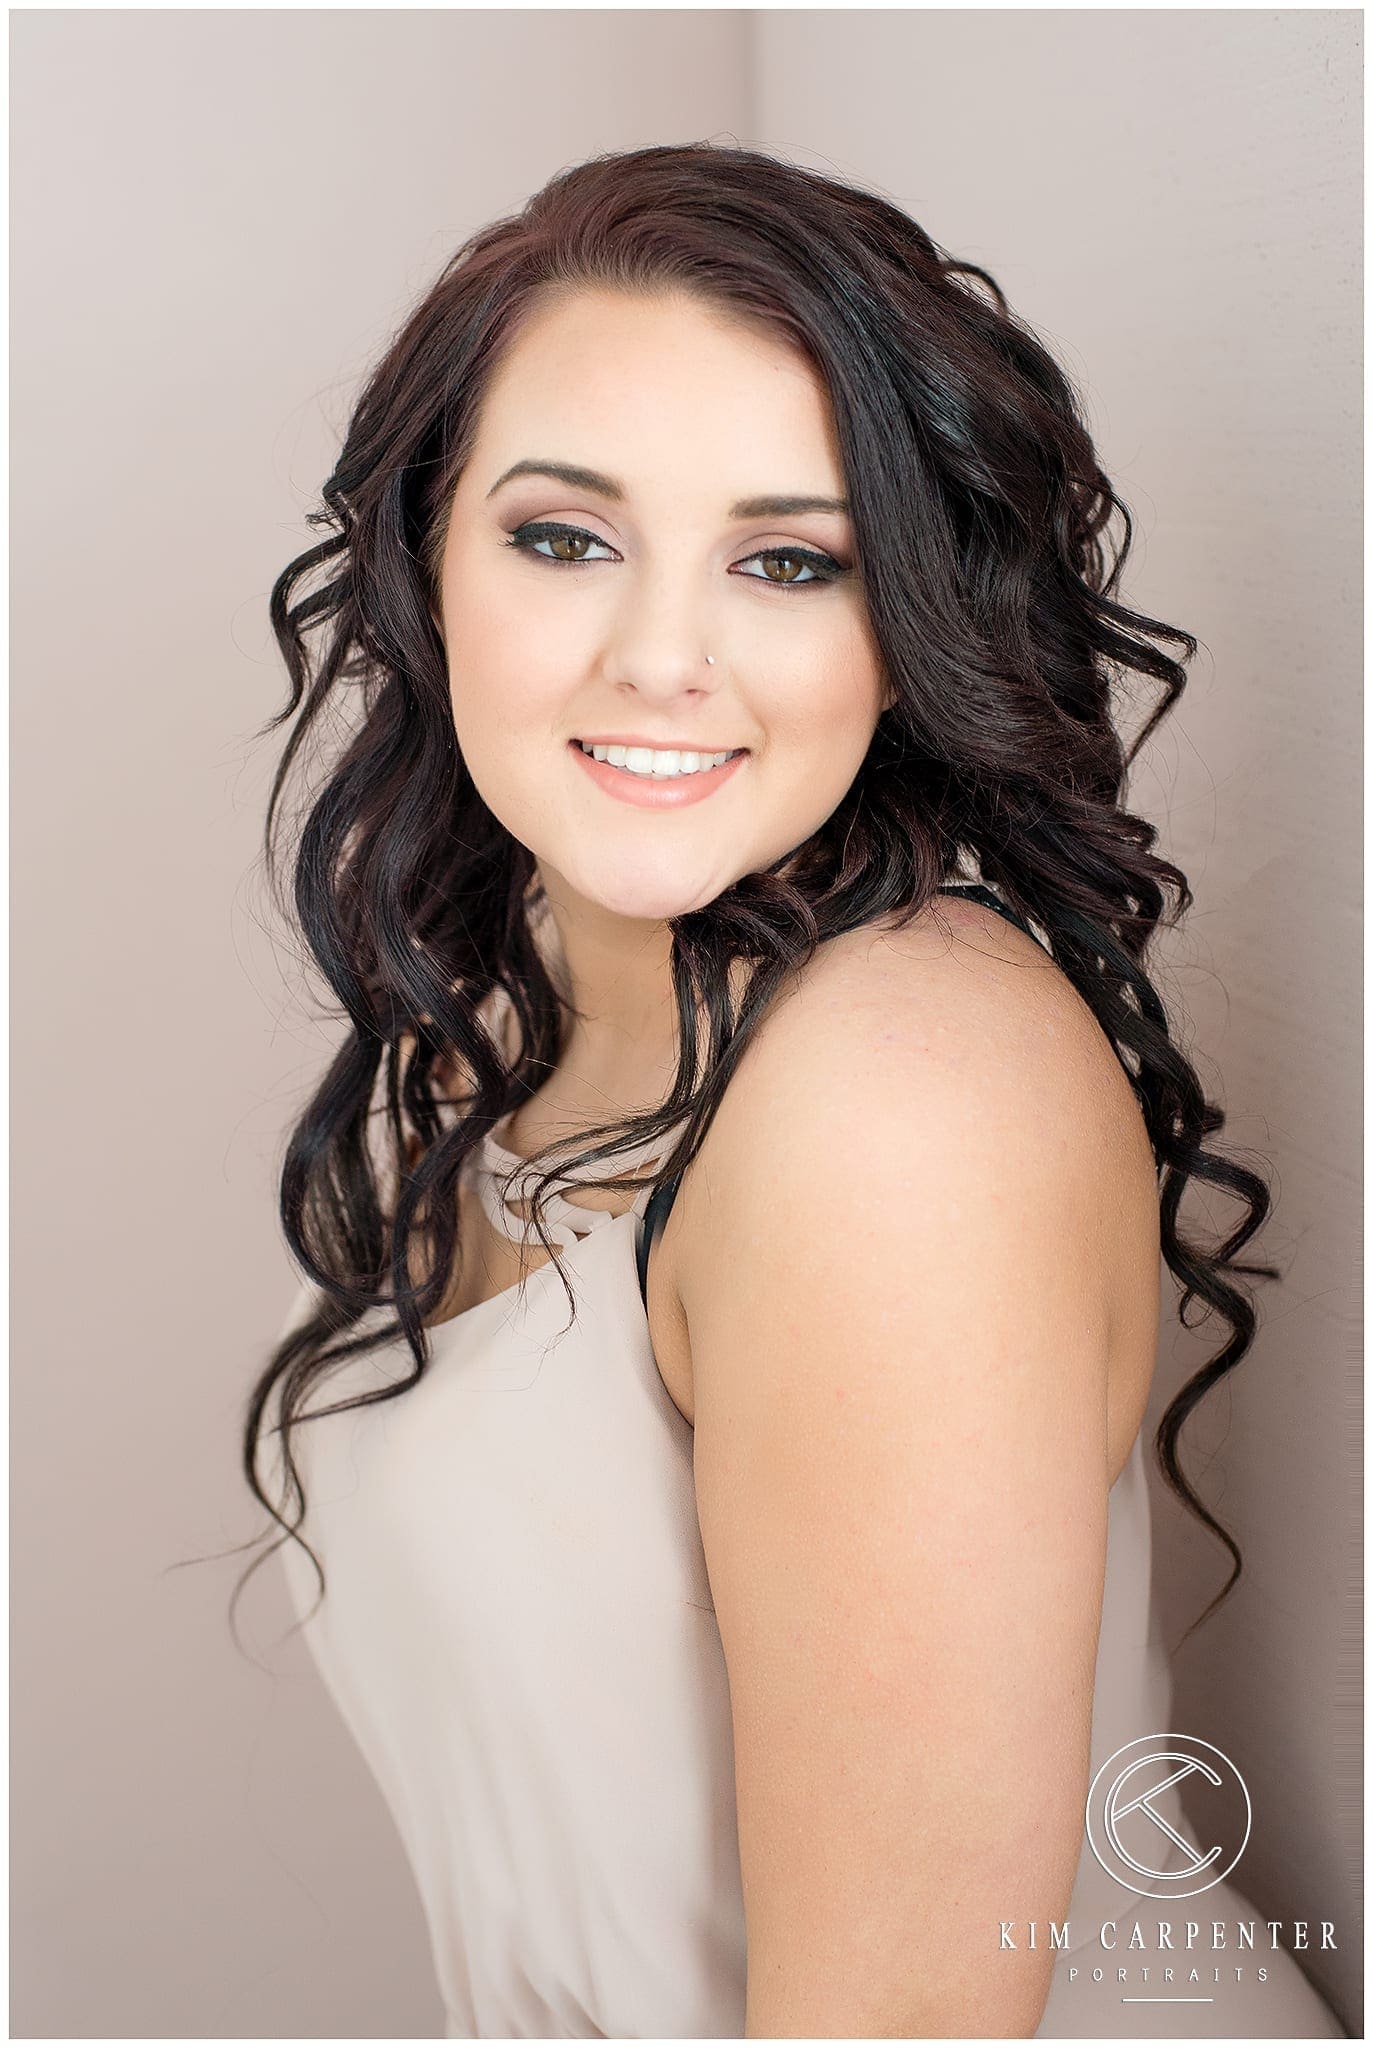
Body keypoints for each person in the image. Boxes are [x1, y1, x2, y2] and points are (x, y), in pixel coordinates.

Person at [242, 144, 1345, 2039]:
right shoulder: (508, 1026)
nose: (660, 657)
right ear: (427, 557)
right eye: (565, 536)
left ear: (902, 627)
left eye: (787, 559)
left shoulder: (893, 1094)